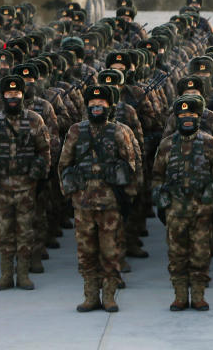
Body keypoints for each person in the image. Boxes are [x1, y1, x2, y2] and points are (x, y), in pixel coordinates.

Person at [59, 84, 138, 312]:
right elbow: (64, 164)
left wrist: (127, 199)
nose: (96, 107)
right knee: (86, 252)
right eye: (93, 103)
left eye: (101, 103)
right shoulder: (76, 131)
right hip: (83, 204)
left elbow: (130, 165)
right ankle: (91, 295)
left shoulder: (118, 132)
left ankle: (110, 295)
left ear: (109, 106)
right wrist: (69, 193)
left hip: (110, 203)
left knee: (110, 251)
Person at [152, 94, 213, 311]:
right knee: (177, 255)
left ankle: (199, 295)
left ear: (198, 117)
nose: (187, 118)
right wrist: (161, 198)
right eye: (183, 114)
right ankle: (180, 296)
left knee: (200, 254)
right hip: (175, 211)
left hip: (201, 211)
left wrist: (210, 197)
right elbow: (157, 176)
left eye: (191, 114)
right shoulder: (166, 145)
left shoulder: (210, 143)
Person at [0, 75, 50, 291]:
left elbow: (45, 151)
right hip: (1, 186)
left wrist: (39, 171)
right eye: (8, 94)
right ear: (2, 96)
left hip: (26, 185)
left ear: (22, 95)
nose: (12, 98)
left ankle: (24, 274)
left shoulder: (35, 120)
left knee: (26, 230)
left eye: (16, 94)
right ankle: (6, 274)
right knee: (4, 231)